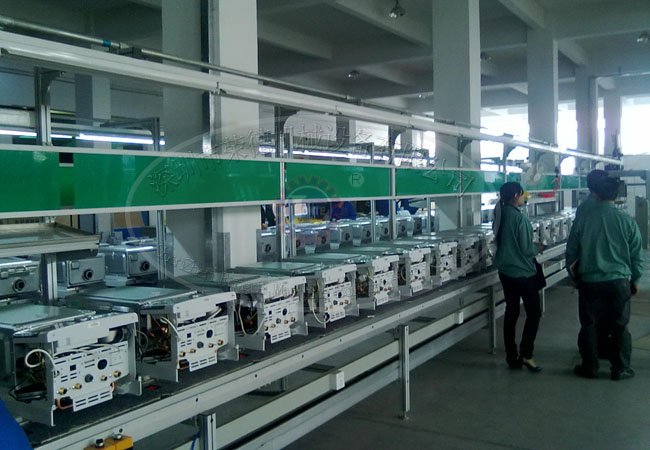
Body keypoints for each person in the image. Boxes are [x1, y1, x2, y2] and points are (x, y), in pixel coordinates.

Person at [567, 174, 642, 380]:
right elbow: (636, 254)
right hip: (619, 282)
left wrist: (574, 277)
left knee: (589, 325)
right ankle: (620, 368)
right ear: (616, 196)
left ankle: (590, 367)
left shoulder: (583, 220)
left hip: (590, 281)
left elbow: (571, 252)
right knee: (620, 325)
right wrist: (635, 279)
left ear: (596, 194)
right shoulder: (627, 221)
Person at [493, 182, 544, 372]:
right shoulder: (519, 218)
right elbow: (526, 249)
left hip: (505, 272)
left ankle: (511, 356)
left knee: (511, 312)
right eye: (522, 194)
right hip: (523, 273)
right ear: (515, 195)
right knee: (534, 313)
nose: (523, 198)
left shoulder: (500, 214)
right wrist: (537, 248)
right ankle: (526, 354)